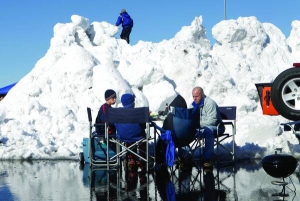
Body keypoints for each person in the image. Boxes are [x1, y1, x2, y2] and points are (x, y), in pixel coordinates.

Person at [192, 86, 225, 168]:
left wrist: (197, 124)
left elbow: (212, 121)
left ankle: (208, 159)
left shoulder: (210, 103)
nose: (194, 99)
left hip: (217, 127)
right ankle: (184, 157)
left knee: (208, 130)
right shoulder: (194, 104)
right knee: (184, 130)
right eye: (193, 96)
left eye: (196, 96)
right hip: (202, 128)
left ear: (202, 94)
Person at [114, 93, 146, 169]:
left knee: (128, 136)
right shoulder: (138, 112)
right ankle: (143, 158)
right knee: (140, 137)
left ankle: (131, 158)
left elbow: (114, 123)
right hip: (137, 136)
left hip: (122, 136)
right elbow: (143, 125)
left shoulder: (118, 112)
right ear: (132, 102)